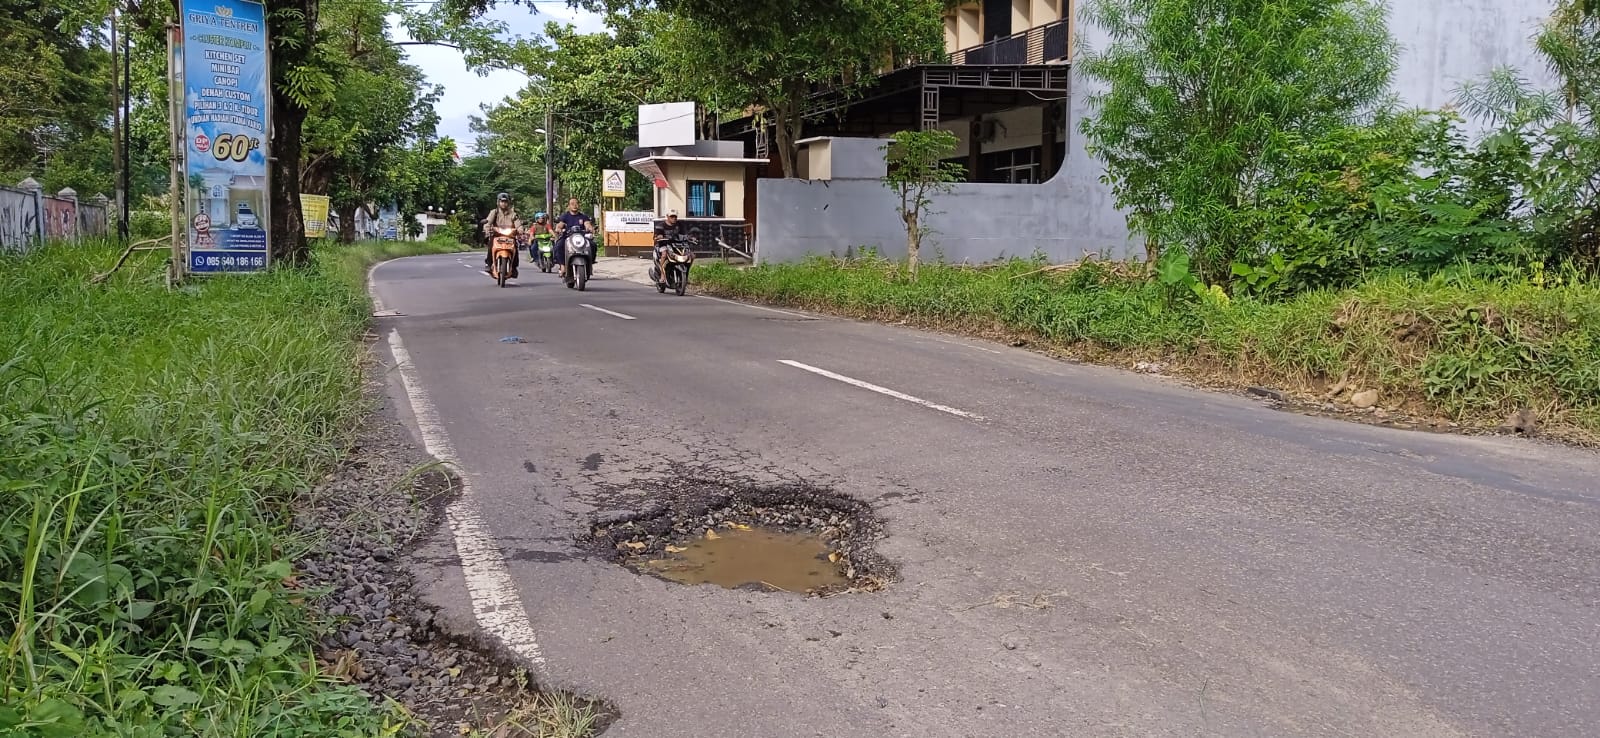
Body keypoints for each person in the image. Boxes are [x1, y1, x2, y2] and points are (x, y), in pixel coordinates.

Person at [552, 197, 595, 278]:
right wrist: (558, 229)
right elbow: (560, 225)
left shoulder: (583, 217)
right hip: (567, 237)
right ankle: (562, 266)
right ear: (569, 206)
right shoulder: (565, 216)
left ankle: (590, 264)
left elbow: (587, 224)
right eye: (572, 204)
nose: (574, 205)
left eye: (576, 203)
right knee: (558, 246)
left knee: (592, 245)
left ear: (579, 205)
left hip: (581, 238)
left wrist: (590, 228)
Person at [482, 192, 521, 278]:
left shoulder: (513, 214)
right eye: (502, 201)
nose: (503, 203)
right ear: (498, 202)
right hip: (496, 235)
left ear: (508, 203)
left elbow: (518, 224)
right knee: (490, 246)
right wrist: (487, 229)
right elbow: (488, 222)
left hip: (510, 236)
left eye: (505, 202)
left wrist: (520, 230)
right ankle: (488, 264)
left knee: (515, 248)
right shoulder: (494, 212)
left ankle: (514, 268)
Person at [652, 211, 687, 287]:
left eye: (675, 217)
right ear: (667, 217)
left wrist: (691, 237)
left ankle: (686, 275)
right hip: (663, 244)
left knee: (691, 255)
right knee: (664, 254)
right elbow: (655, 236)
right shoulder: (660, 226)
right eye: (672, 217)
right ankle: (662, 275)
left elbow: (684, 234)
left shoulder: (679, 225)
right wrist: (659, 236)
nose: (674, 218)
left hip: (676, 244)